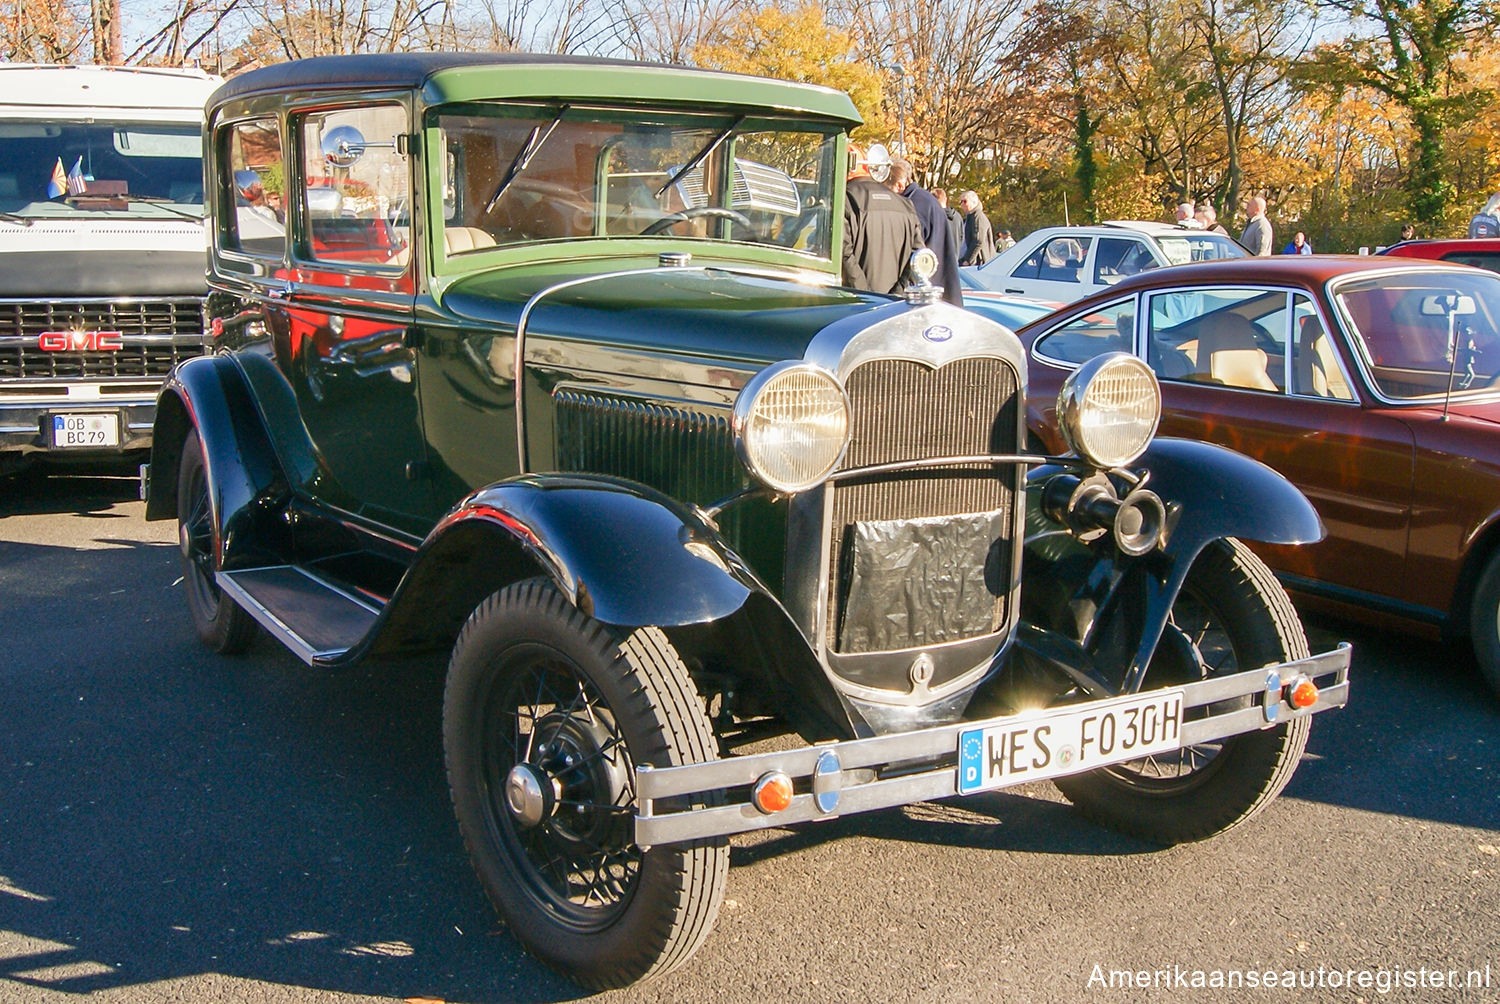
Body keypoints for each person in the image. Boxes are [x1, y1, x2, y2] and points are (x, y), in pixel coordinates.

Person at [841, 143, 923, 294]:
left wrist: (865, 295)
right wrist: (897, 293)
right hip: (894, 307)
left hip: (854, 304)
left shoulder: (843, 201)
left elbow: (843, 253)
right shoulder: (905, 205)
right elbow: (918, 256)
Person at [889, 157, 961, 305]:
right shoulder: (924, 199)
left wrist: (896, 293)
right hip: (940, 286)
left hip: (927, 291)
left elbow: (916, 253)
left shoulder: (914, 205)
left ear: (899, 185)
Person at [958, 190, 996, 266]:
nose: (962, 204)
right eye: (961, 202)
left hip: (979, 263)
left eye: (965, 201)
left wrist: (968, 260)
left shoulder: (978, 217)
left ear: (974, 202)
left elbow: (978, 241)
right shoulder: (970, 217)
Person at [934, 187, 963, 255]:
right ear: (946, 199)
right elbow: (961, 237)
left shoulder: (935, 216)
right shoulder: (958, 217)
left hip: (940, 259)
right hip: (954, 257)